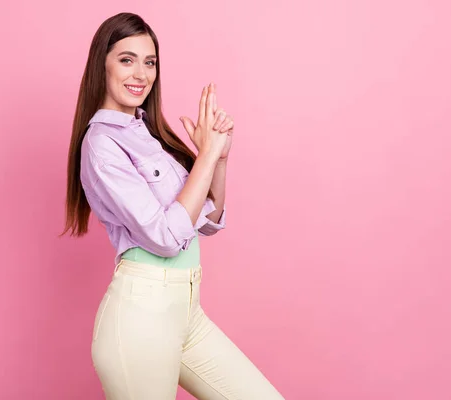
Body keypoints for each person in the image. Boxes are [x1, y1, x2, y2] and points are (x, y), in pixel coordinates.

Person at [62, 12, 284, 400]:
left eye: (150, 63)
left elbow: (209, 220)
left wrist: (218, 157)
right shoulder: (101, 145)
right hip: (140, 318)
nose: (141, 74)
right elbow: (165, 238)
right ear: (103, 64)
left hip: (187, 313)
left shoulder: (150, 136)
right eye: (127, 59)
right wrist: (205, 157)